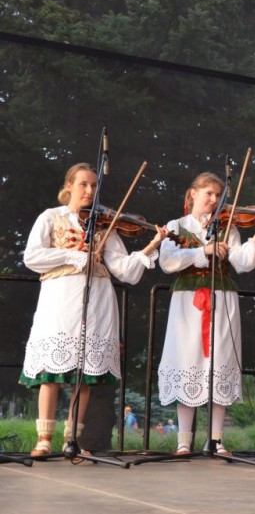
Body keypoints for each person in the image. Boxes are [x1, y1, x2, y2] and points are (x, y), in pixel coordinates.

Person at [20, 162, 167, 456]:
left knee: (84, 376)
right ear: (69, 186)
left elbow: (124, 270)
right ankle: (43, 440)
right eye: (83, 184)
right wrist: (73, 256)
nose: (89, 190)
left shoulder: (104, 224)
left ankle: (72, 440)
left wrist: (152, 245)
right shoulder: (51, 217)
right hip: (60, 300)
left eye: (94, 185)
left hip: (98, 300)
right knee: (50, 373)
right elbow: (32, 256)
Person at [157, 172, 255, 455]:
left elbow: (243, 263)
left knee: (220, 360)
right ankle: (183, 441)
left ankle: (216, 439)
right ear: (193, 193)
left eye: (219, 195)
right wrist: (204, 251)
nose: (214, 199)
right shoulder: (176, 226)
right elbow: (168, 261)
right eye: (208, 193)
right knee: (186, 361)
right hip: (187, 301)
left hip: (222, 298)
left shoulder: (227, 227)